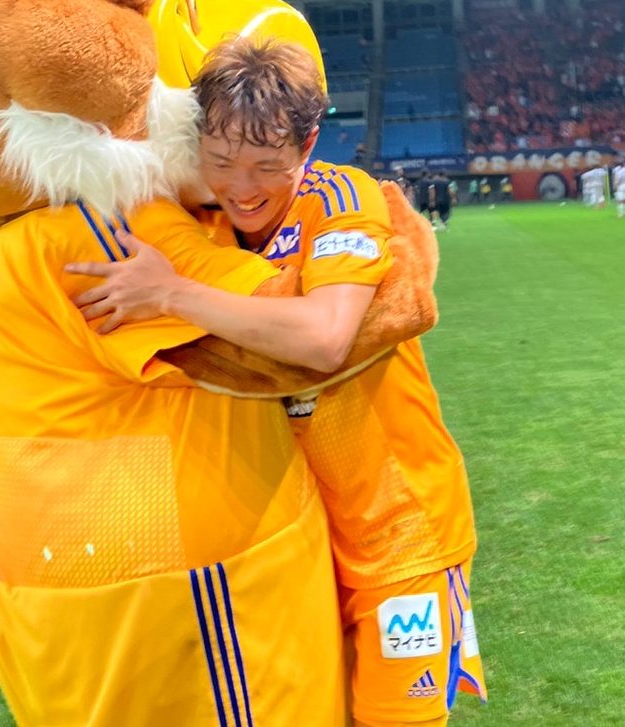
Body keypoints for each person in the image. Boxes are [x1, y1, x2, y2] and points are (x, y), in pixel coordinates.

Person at [69, 39, 486, 727]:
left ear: (309, 144)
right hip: (298, 543)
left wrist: (172, 293)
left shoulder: (339, 198)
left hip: (402, 534)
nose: (242, 187)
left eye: (268, 166)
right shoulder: (206, 222)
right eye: (221, 161)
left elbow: (325, 339)